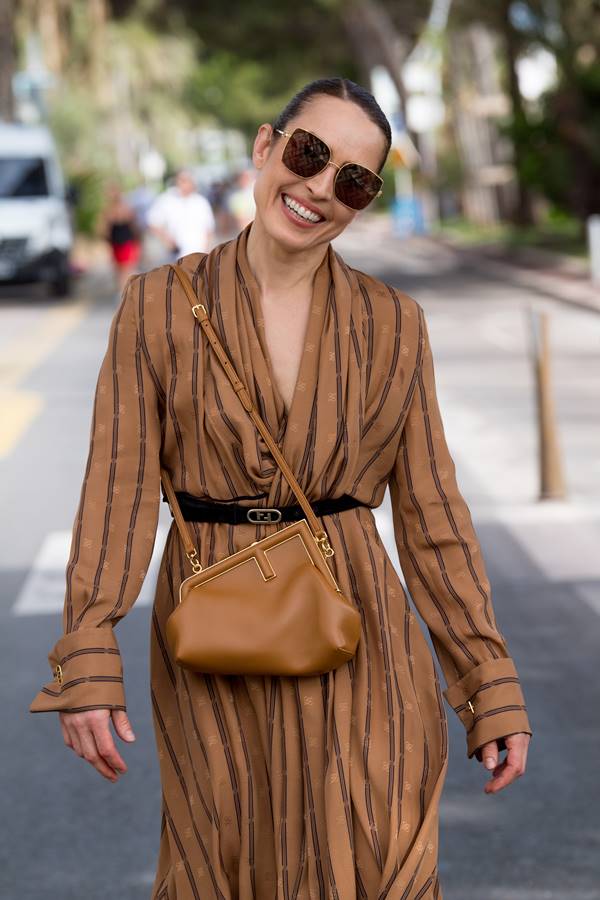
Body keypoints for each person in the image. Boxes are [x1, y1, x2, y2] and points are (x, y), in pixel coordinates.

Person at [30, 77, 532, 898]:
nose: (319, 189)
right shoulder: (157, 306)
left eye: (353, 181)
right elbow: (115, 492)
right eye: (308, 154)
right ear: (266, 147)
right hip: (209, 634)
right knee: (220, 863)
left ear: (365, 201)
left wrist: (488, 684)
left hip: (362, 633)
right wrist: (88, 651)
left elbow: (435, 517)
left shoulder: (392, 322)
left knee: (379, 859)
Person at [147, 167, 216, 259]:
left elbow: (209, 229)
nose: (184, 184)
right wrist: (167, 240)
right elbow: (153, 222)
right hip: (176, 258)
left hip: (200, 257)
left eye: (187, 180)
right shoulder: (166, 200)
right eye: (182, 180)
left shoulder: (201, 202)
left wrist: (207, 251)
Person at [97, 181, 142, 293]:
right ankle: (125, 292)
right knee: (120, 270)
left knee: (127, 269)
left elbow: (133, 226)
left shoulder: (125, 208)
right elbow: (103, 230)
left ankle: (127, 292)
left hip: (126, 242)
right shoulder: (108, 210)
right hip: (116, 243)